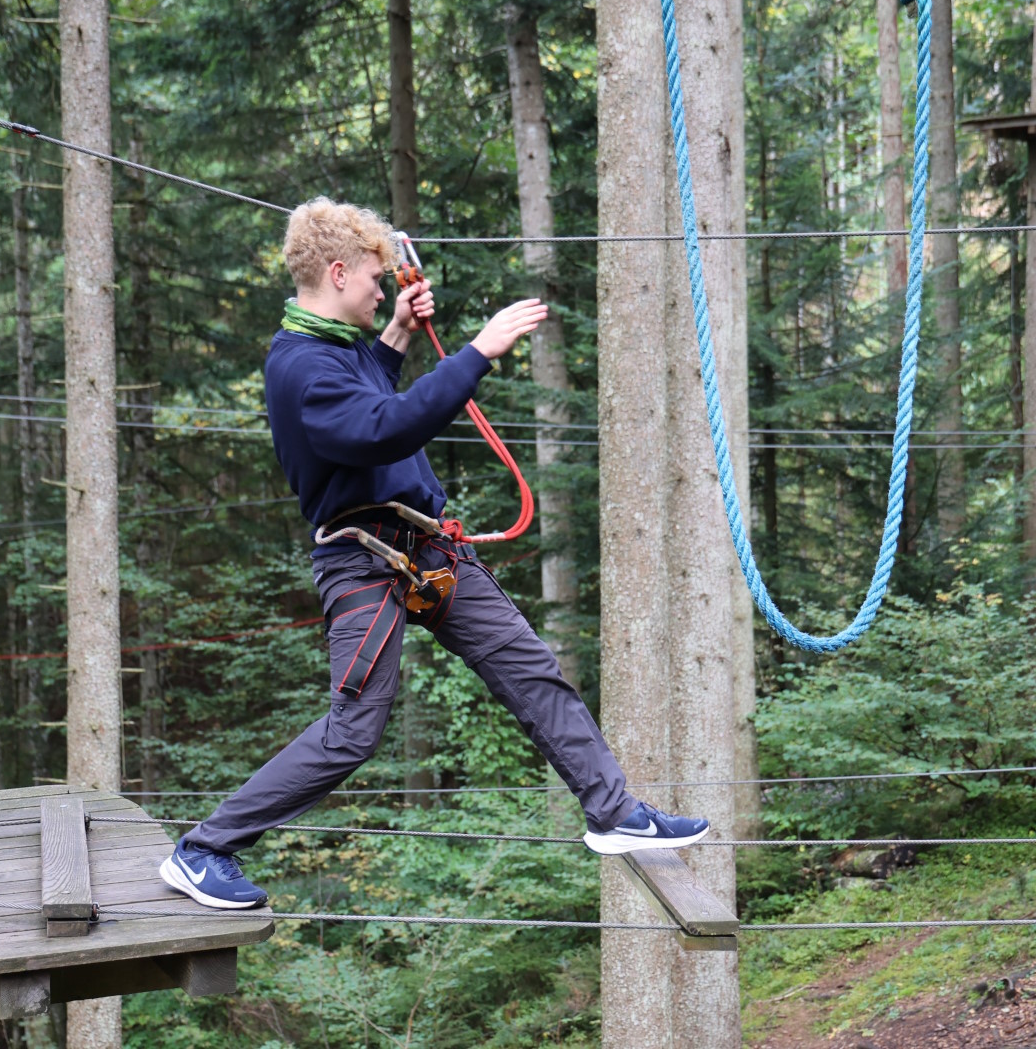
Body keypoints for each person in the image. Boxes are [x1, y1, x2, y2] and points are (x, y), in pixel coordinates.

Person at [160, 197, 709, 909]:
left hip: (427, 549)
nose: (382, 290)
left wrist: (394, 334)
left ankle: (615, 813)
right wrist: (477, 354)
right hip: (363, 561)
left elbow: (367, 392)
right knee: (353, 732)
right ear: (335, 272)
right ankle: (204, 848)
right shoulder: (300, 367)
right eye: (373, 282)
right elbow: (381, 429)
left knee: (532, 672)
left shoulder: (330, 348)